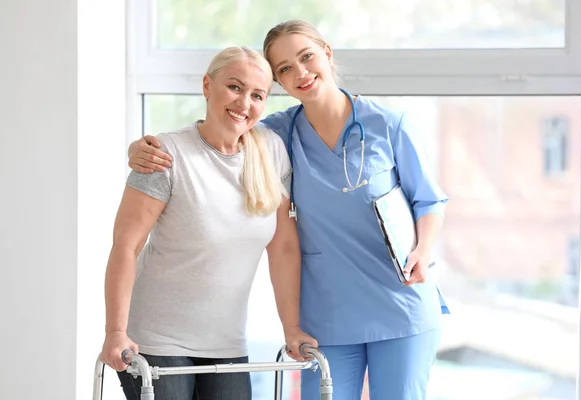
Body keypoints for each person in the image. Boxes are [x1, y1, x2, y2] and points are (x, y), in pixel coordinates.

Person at [127, 20, 449, 400]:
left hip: (399, 302)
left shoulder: (390, 125)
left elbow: (429, 200)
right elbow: (214, 130)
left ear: (326, 53)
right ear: (278, 83)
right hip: (327, 316)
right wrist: (140, 150)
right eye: (284, 69)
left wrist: (423, 249)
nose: (300, 73)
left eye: (306, 57)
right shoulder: (276, 134)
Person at [99, 46, 317, 400]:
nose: (244, 103)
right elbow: (126, 246)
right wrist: (115, 331)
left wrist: (291, 327)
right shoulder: (166, 155)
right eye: (234, 87)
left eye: (257, 95)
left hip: (228, 341)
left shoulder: (273, 152)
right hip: (157, 337)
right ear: (207, 85)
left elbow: (284, 247)